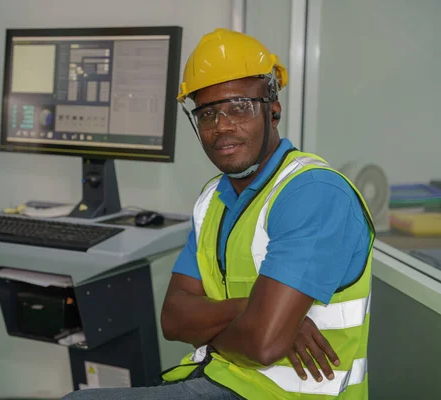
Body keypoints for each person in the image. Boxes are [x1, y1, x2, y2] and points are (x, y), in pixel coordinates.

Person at [63, 28, 375, 400]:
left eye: (239, 107)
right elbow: (174, 319)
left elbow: (262, 345)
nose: (222, 126)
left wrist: (221, 332)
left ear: (273, 111)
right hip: (219, 380)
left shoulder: (314, 194)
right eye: (208, 113)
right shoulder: (213, 199)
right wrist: (251, 309)